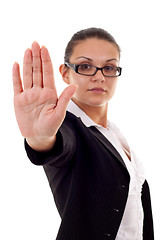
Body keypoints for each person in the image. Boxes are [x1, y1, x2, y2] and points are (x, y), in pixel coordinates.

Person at [12, 28, 154, 240]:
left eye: (109, 67)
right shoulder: (67, 127)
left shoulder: (115, 134)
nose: (99, 77)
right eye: (86, 66)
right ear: (65, 73)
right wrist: (39, 138)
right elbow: (59, 145)